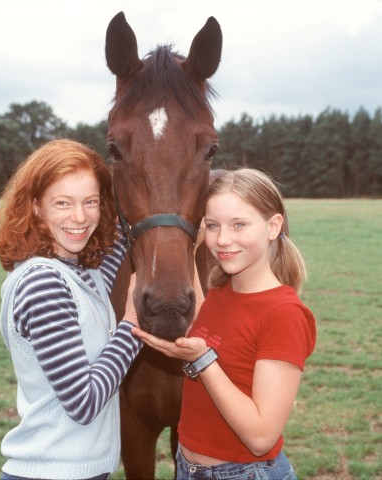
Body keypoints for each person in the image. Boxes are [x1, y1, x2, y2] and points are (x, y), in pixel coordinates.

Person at [133, 168, 316, 480]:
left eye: (239, 224)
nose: (223, 239)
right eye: (213, 225)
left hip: (244, 473)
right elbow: (205, 328)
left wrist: (202, 361)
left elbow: (261, 438)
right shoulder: (221, 293)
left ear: (273, 226)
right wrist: (188, 248)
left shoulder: (284, 313)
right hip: (190, 469)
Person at [0, 139, 143, 480]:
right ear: (37, 207)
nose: (80, 217)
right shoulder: (43, 283)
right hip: (50, 472)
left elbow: (133, 234)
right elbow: (83, 402)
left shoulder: (84, 270)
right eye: (62, 203)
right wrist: (131, 325)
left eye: (91, 202)